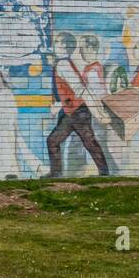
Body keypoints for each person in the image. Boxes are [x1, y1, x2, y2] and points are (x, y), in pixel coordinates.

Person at [47, 32, 110, 178]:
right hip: (72, 112)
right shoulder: (62, 64)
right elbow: (67, 91)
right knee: (58, 140)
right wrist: (58, 104)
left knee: (87, 141)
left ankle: (104, 172)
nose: (61, 46)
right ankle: (56, 173)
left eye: (65, 44)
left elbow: (80, 89)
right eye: (58, 42)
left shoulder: (63, 64)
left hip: (78, 111)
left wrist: (98, 113)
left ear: (70, 48)